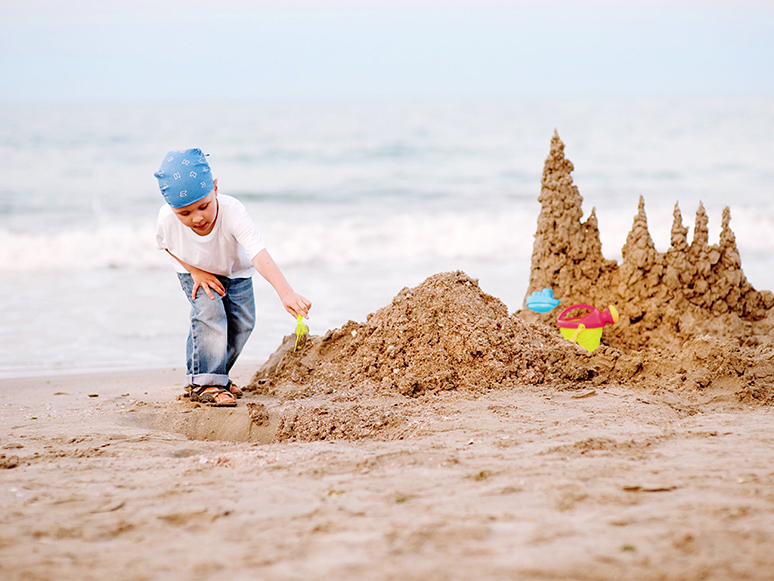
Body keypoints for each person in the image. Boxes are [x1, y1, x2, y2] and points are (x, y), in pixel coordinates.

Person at [154, 148, 311, 406]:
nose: (197, 218)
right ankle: (204, 383)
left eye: (203, 206)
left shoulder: (233, 211)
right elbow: (167, 245)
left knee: (242, 323)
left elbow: (258, 253)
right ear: (172, 208)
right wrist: (195, 271)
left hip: (235, 271)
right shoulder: (167, 218)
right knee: (210, 315)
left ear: (215, 188)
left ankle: (216, 376)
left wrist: (286, 293)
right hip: (193, 270)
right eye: (185, 213)